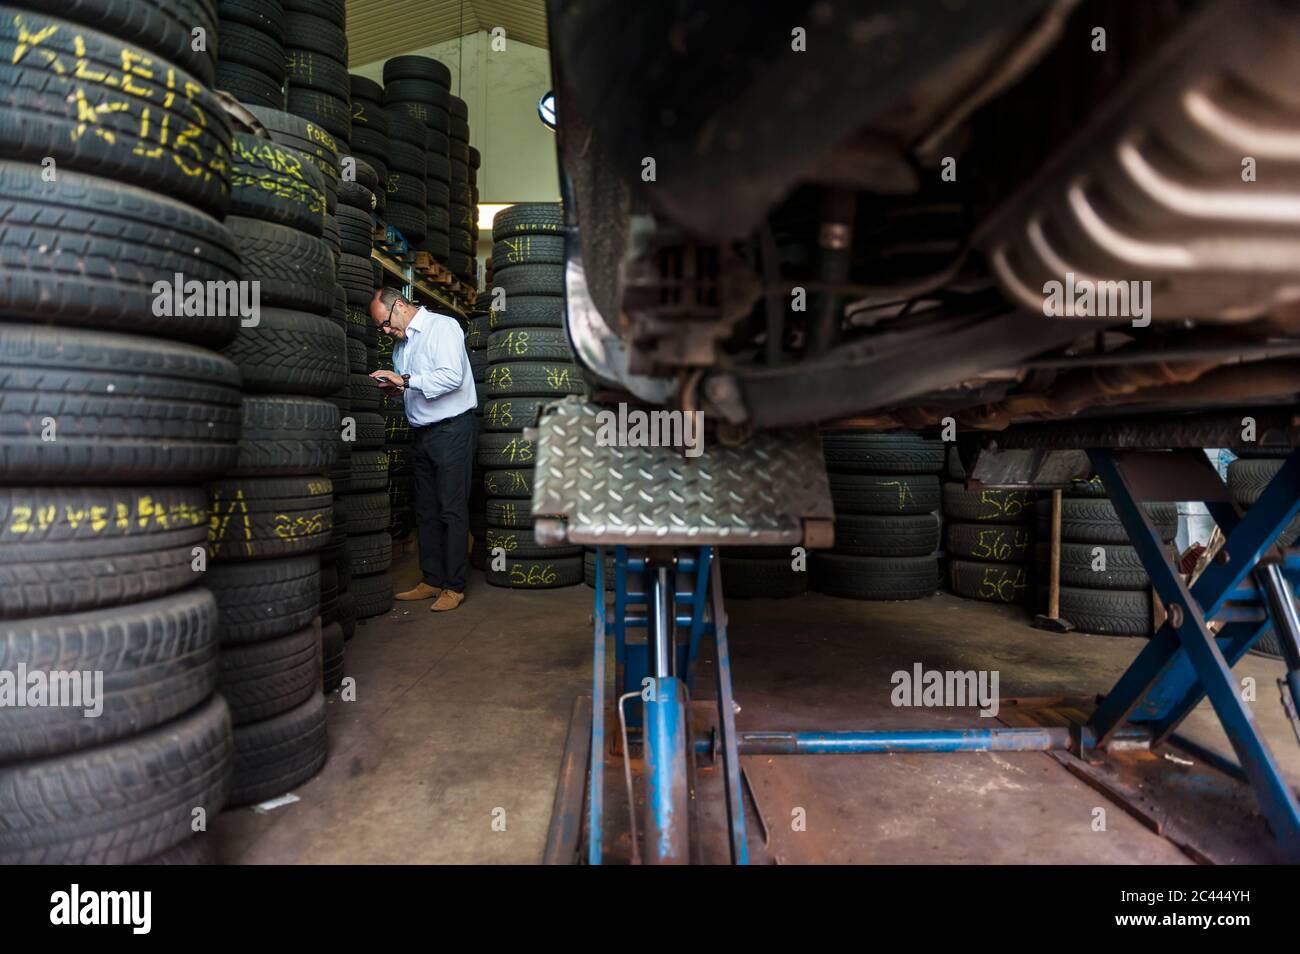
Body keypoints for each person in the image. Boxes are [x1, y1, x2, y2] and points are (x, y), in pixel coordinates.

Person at [368, 287, 478, 612]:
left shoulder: (442, 328)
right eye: (381, 329)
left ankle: (454, 587)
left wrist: (404, 381)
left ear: (399, 305)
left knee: (452, 509)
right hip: (423, 433)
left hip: (452, 430)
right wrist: (396, 390)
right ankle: (431, 579)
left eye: (386, 323)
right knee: (426, 510)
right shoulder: (402, 345)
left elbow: (451, 378)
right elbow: (414, 384)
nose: (386, 331)